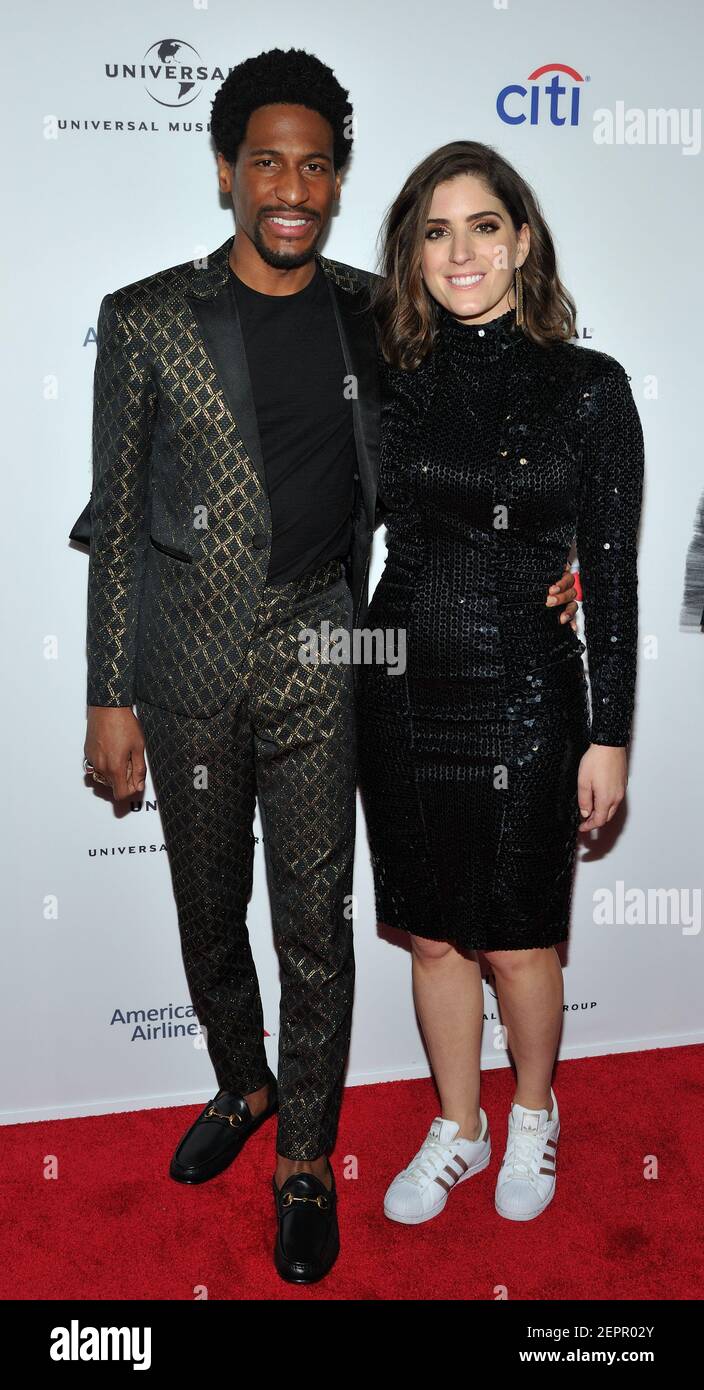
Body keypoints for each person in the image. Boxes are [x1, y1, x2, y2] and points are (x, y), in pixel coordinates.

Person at [71, 51, 578, 1282]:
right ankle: (240, 1082)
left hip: (329, 648)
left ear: (337, 181)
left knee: (315, 922)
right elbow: (118, 513)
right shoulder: (144, 319)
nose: (289, 185)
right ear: (227, 174)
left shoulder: (375, 310)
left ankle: (306, 1153)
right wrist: (107, 691)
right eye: (265, 162)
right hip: (182, 663)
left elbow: (504, 411)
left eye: (312, 164)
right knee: (205, 911)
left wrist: (561, 551)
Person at [356, 141, 644, 1226]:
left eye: (483, 225)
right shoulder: (388, 374)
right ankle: (457, 1124)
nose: (460, 250)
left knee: (517, 937)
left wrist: (606, 733)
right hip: (399, 687)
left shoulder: (587, 387)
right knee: (432, 933)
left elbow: (607, 576)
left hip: (528, 694)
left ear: (521, 239)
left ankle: (532, 1112)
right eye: (434, 231)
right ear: (411, 253)